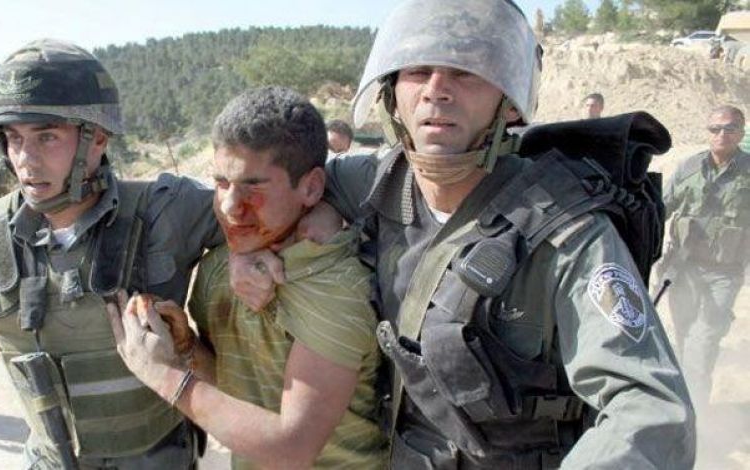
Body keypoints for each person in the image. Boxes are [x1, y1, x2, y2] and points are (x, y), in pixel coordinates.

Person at [228, 0, 696, 468]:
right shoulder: (375, 183)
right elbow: (260, 196)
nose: (437, 90)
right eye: (418, 71)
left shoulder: (568, 232)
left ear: (507, 100)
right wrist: (246, 249)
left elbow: (648, 408)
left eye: (466, 72)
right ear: (392, 92)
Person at [0, 39, 224, 470]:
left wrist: (248, 259)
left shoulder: (166, 209)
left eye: (47, 137)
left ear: (98, 138)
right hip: (49, 460)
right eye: (14, 138)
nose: (25, 159)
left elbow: (273, 203)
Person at [108, 86, 388, 469]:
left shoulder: (336, 288)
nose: (229, 206)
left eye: (252, 186)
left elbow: (293, 448)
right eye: (221, 183)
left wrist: (162, 375)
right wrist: (188, 349)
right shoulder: (217, 271)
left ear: (311, 188)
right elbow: (239, 392)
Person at [661, 105, 749, 412]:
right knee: (684, 337)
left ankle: (695, 415)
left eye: (730, 128)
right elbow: (661, 209)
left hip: (725, 273)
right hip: (683, 269)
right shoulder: (688, 168)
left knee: (703, 341)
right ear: (707, 132)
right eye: (715, 129)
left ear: (741, 132)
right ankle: (682, 403)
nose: (722, 134)